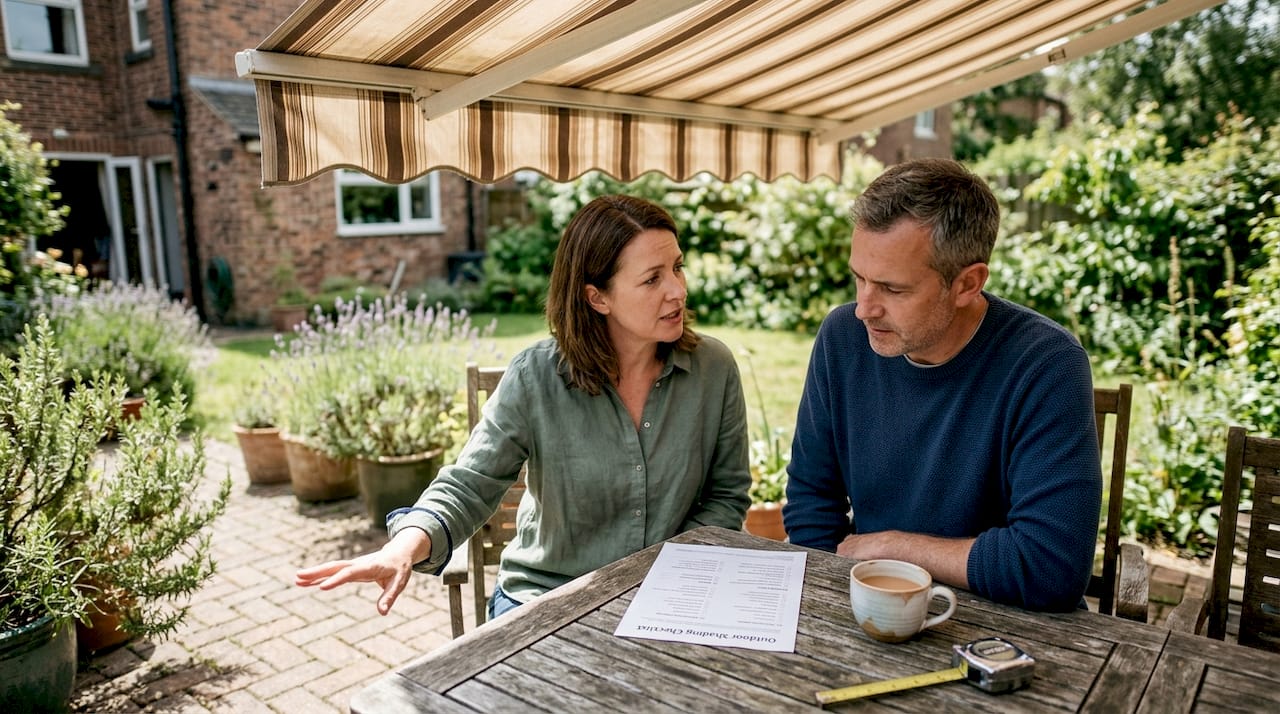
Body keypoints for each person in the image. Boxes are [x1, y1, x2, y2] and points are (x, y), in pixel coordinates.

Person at [296, 195, 751, 618]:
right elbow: (471, 483)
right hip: (546, 597)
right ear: (597, 297)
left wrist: (672, 577)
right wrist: (405, 546)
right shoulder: (536, 377)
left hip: (668, 595)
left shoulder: (713, 369)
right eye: (653, 278)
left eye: (677, 268)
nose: (677, 290)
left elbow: (725, 496)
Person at [783, 158, 1102, 612]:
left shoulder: (1046, 364)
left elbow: (1052, 567)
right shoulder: (842, 339)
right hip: (871, 602)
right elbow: (812, 501)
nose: (864, 309)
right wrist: (837, 601)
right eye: (860, 279)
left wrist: (892, 547)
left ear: (967, 284)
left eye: (892, 290)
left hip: (1008, 624)